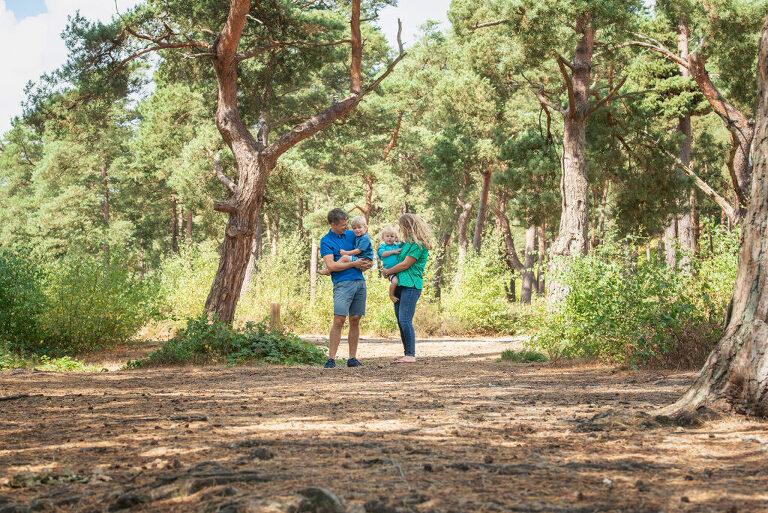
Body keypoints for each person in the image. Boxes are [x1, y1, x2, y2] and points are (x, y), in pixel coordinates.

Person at [319, 208, 373, 368]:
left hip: (359, 282)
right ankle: (331, 359)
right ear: (333, 224)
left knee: (355, 319)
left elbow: (367, 254)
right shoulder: (326, 241)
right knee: (339, 320)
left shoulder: (353, 234)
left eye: (347, 223)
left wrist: (368, 264)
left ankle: (352, 358)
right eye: (343, 224)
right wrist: (354, 264)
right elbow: (331, 266)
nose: (347, 227)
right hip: (342, 284)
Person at [381, 214, 432, 363]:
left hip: (411, 285)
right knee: (400, 320)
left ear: (407, 226)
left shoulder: (418, 244)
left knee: (405, 319)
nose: (400, 229)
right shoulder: (406, 243)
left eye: (401, 226)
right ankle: (407, 353)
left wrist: (388, 272)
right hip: (401, 284)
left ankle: (410, 355)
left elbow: (405, 265)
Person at [377, 225, 402, 303]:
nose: (389, 238)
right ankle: (391, 295)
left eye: (392, 236)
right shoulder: (382, 246)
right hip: (389, 270)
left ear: (395, 238)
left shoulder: (396, 245)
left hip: (399, 270)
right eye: (387, 236)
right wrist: (393, 252)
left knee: (399, 283)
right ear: (383, 238)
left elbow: (403, 244)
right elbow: (383, 254)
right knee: (395, 282)